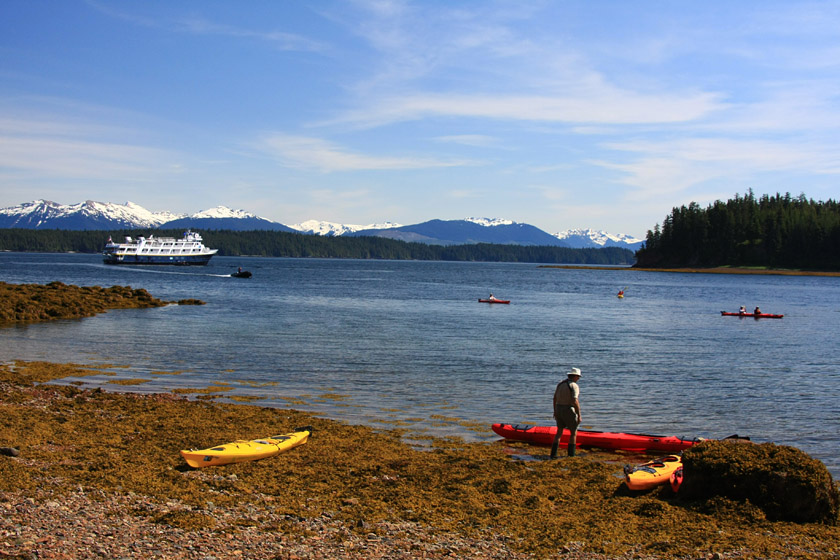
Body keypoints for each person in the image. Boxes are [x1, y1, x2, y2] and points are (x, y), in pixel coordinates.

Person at [550, 367, 582, 458]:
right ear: (575, 376)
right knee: (573, 433)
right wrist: (579, 414)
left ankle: (553, 454)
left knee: (559, 432)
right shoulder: (574, 386)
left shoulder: (560, 384)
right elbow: (575, 401)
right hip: (568, 409)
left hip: (558, 408)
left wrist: (555, 411)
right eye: (578, 377)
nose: (578, 378)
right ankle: (571, 455)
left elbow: (554, 398)